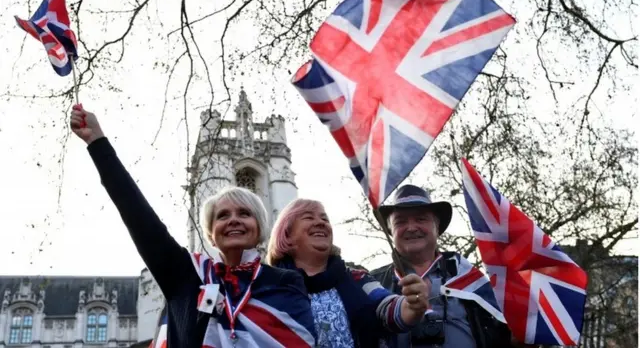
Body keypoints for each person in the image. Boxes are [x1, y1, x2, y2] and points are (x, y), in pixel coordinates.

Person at [70, 104, 316, 348]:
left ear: (260, 227)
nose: (233, 220)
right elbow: (137, 214)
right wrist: (98, 144)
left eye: (244, 213)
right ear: (211, 232)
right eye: (222, 216)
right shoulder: (186, 275)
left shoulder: (285, 281)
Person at [370, 184, 537, 348]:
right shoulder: (372, 285)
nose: (412, 227)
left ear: (437, 227)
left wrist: (519, 341)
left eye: (421, 219)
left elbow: (502, 336)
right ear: (390, 231)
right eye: (400, 222)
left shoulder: (472, 280)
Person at [266, 198, 431, 348]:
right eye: (309, 217)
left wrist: (411, 306)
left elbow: (386, 306)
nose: (320, 223)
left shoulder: (358, 278)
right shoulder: (268, 287)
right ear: (286, 235)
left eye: (324, 219)